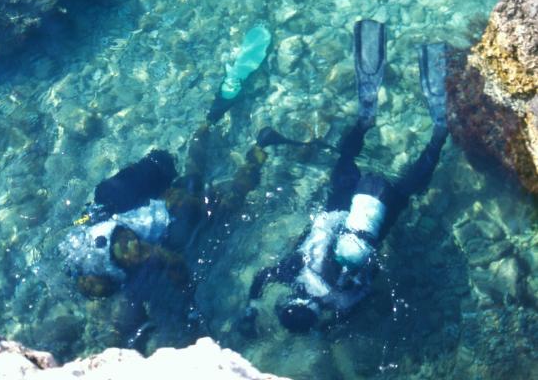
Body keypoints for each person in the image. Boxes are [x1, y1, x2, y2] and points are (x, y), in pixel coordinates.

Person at [59, 25, 271, 342]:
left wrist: (188, 297)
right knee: (194, 171)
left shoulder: (123, 256)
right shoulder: (83, 249)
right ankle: (208, 122)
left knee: (228, 200)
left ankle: (259, 151)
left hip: (177, 212)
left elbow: (171, 260)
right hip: (157, 200)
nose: (100, 295)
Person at [243, 19, 449, 333]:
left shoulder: (341, 302)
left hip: (377, 212)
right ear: (291, 301)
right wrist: (251, 308)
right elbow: (261, 277)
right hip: (342, 202)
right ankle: (366, 120)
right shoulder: (294, 273)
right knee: (346, 157)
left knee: (407, 189)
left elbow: (366, 292)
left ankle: (438, 135)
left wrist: (330, 331)